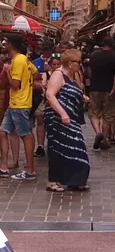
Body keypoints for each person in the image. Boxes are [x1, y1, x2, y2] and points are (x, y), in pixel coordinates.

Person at [44, 49, 90, 192]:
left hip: (71, 119)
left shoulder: (72, 75)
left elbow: (70, 91)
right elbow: (50, 95)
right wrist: (63, 114)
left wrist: (82, 97)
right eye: (78, 62)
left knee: (75, 148)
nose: (80, 65)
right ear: (70, 63)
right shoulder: (58, 74)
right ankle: (53, 181)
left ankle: (74, 180)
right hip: (58, 118)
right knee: (58, 149)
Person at [0, 34, 37, 180]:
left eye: (6, 42)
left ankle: (30, 170)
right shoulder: (24, 59)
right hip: (16, 103)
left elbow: (15, 84)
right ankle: (4, 167)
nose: (4, 44)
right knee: (2, 131)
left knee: (25, 135)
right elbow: (35, 72)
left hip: (19, 104)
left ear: (11, 45)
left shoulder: (18, 61)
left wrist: (7, 73)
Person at [89, 35, 115, 150]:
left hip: (95, 87)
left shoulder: (93, 56)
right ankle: (103, 139)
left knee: (94, 113)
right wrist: (114, 89)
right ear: (112, 45)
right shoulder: (113, 56)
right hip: (108, 89)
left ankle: (98, 133)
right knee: (107, 116)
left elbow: (89, 72)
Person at [33, 39, 54, 157]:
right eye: (44, 50)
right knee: (40, 120)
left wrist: (50, 70)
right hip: (40, 96)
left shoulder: (56, 62)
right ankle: (40, 146)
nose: (46, 53)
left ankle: (53, 144)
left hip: (54, 96)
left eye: (48, 50)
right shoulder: (36, 62)